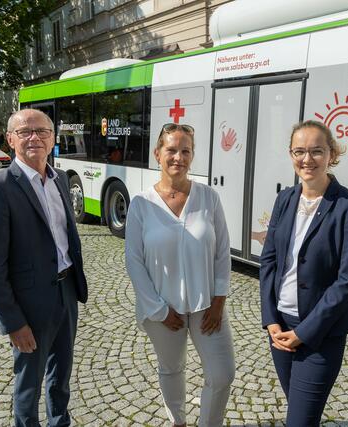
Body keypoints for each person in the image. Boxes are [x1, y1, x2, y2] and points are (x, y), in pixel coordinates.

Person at [0, 109, 88, 427]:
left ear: (53, 138)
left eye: (42, 131)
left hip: (66, 292)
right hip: (29, 304)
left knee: (61, 375)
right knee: (29, 384)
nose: (34, 136)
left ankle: (59, 422)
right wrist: (12, 322)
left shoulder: (61, 179)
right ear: (10, 139)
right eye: (25, 132)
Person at [260, 120, 348, 426]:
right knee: (299, 412)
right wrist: (270, 320)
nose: (307, 159)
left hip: (319, 334)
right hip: (280, 328)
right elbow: (269, 260)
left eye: (316, 151)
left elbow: (347, 282)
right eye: (299, 151)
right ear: (291, 154)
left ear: (331, 153)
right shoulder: (285, 199)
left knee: (299, 421)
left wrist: (302, 334)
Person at [125, 123, 235, 427]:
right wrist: (159, 310)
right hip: (162, 309)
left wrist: (218, 302)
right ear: (158, 153)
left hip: (206, 308)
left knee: (223, 374)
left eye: (185, 150)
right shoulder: (141, 204)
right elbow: (134, 261)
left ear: (192, 155)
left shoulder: (208, 198)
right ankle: (178, 420)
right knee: (171, 368)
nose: (178, 157)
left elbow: (222, 253)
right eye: (171, 150)